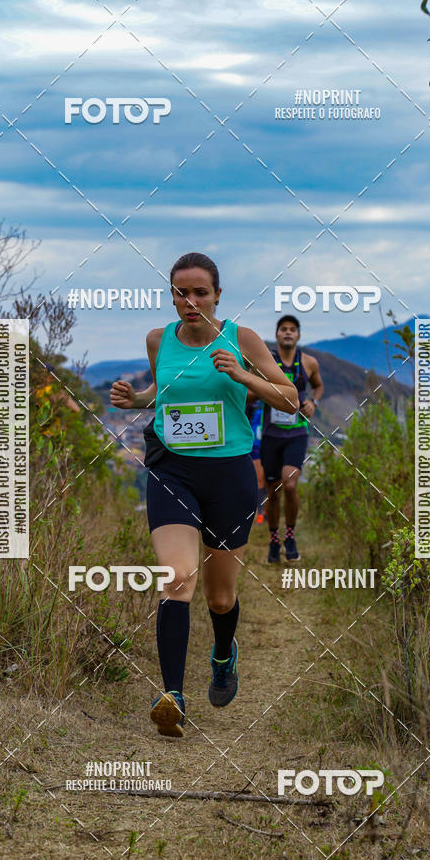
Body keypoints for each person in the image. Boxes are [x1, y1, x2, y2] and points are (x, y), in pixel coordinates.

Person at [110, 252, 298, 738]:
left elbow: (290, 400)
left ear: (217, 294)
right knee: (176, 577)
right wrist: (138, 399)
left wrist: (242, 374)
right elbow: (164, 392)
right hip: (173, 470)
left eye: (199, 292)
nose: (189, 301)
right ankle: (172, 695)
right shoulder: (158, 339)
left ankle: (222, 655)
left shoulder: (243, 339)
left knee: (219, 596)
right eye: (179, 292)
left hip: (230, 475)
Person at [258, 315, 323, 564]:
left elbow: (318, 386)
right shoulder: (267, 362)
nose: (288, 333)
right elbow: (253, 392)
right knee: (273, 492)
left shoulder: (308, 362)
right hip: (271, 434)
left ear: (298, 335)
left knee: (291, 484)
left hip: (297, 433)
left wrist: (313, 403)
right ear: (276, 335)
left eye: (292, 329)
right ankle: (274, 541)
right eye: (283, 329)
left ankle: (290, 535)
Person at [246, 398, 267, 523]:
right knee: (259, 479)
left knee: (271, 481)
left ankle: (267, 511)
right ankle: (260, 513)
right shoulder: (251, 404)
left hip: (273, 440)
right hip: (255, 444)